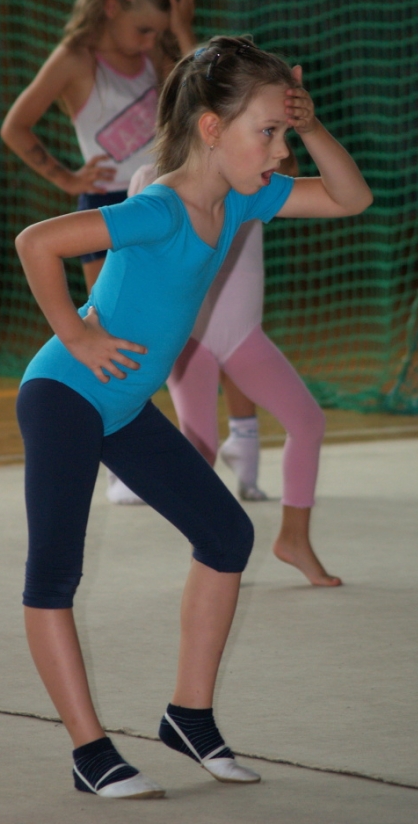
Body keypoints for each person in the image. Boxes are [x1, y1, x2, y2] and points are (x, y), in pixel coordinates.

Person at [14, 34, 372, 800]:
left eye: (281, 133)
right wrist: (76, 334)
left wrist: (309, 125)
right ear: (211, 128)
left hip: (120, 406)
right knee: (55, 573)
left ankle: (189, 717)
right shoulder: (157, 209)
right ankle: (89, 753)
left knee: (226, 536)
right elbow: (37, 242)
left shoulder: (241, 197)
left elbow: (350, 198)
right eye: (266, 132)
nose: (278, 151)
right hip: (64, 395)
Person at [129, 149, 339, 587]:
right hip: (189, 340)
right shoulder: (152, 179)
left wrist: (297, 128)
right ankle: (208, 553)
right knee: (198, 450)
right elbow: (136, 262)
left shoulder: (254, 176)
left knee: (307, 422)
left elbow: (296, 173)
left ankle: (293, 539)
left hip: (243, 336)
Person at [0, 0, 198, 293]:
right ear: (111, 7)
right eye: (144, 30)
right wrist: (67, 179)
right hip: (106, 205)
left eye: (159, 32)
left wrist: (182, 31)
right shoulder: (74, 58)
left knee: (167, 306)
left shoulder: (152, 54)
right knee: (109, 314)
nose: (152, 40)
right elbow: (14, 127)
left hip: (159, 195)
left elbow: (199, 96)